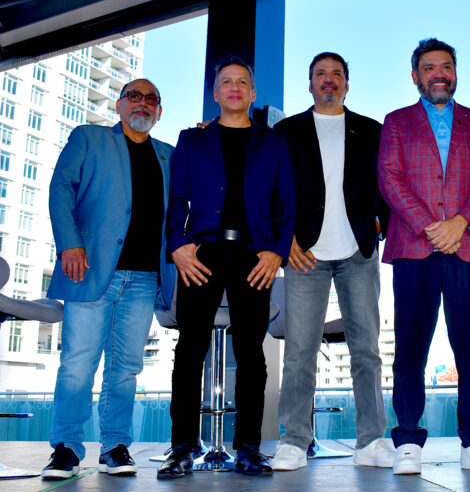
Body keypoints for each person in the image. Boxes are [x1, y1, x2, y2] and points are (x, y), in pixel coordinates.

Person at [158, 55, 295, 479]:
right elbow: (176, 201)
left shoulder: (273, 142)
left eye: (242, 83)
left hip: (254, 257)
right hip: (200, 254)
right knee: (189, 350)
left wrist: (276, 252)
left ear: (252, 94)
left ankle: (249, 449)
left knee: (252, 354)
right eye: (226, 82)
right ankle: (182, 447)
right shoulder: (191, 139)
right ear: (215, 93)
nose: (234, 88)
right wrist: (177, 245)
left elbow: (286, 204)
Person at [378, 38, 470, 474]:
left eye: (447, 66)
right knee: (410, 346)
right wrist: (430, 227)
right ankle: (408, 442)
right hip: (413, 246)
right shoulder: (396, 122)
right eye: (430, 67)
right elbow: (390, 179)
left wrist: (460, 224)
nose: (440, 73)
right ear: (415, 76)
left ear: (456, 73)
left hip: (467, 247)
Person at [44, 79, 174, 479]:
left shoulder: (169, 155)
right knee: (78, 364)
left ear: (159, 112)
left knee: (126, 368)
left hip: (144, 278)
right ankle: (66, 447)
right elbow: (61, 188)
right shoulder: (89, 138)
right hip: (89, 269)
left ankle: (115, 446)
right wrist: (68, 244)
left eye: (152, 99)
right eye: (134, 96)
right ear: (119, 105)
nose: (143, 104)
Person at [269, 52, 393, 471]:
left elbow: (390, 182)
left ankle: (372, 439)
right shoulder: (285, 132)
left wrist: (382, 222)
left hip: (358, 252)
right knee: (300, 351)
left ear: (346, 83)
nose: (329, 81)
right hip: (305, 254)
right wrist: (282, 241)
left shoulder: (372, 131)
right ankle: (293, 439)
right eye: (320, 74)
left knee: (367, 351)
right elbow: (270, 190)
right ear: (309, 84)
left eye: (336, 74)